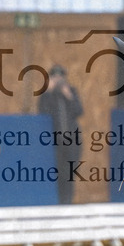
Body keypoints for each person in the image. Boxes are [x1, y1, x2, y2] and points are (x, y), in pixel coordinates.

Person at [38, 64, 83, 204]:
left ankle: (68, 201)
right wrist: (48, 92)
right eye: (55, 77)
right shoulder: (47, 95)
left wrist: (69, 95)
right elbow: (42, 111)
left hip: (72, 140)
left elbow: (79, 111)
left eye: (60, 77)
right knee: (58, 172)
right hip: (55, 142)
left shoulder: (70, 92)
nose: (58, 80)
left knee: (69, 172)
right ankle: (59, 202)